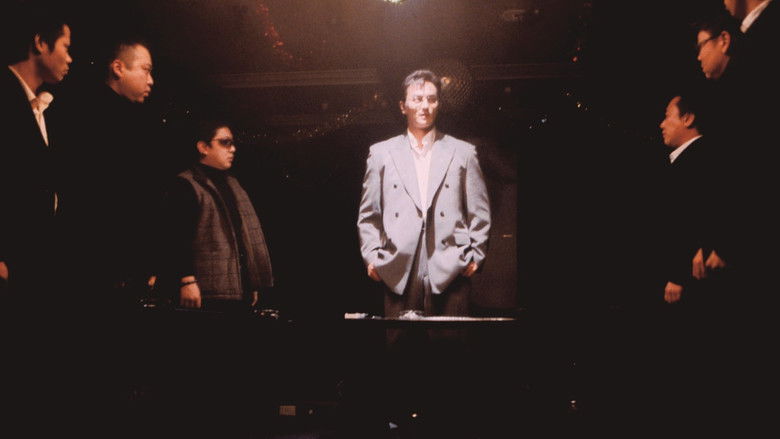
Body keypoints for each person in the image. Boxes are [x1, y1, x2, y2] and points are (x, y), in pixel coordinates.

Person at [58, 37, 159, 306]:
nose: (151, 81)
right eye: (145, 70)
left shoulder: (126, 117)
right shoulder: (89, 116)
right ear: (118, 68)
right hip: (97, 268)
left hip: (112, 267)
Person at [161, 120, 273, 311]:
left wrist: (250, 282)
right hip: (206, 292)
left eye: (232, 143)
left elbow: (242, 236)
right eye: (224, 142)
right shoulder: (186, 184)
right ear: (203, 147)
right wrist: (186, 280)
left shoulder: (233, 184)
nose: (232, 149)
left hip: (234, 289)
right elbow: (176, 237)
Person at [0, 5, 72, 303]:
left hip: (31, 266)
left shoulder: (41, 106)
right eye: (66, 47)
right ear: (41, 43)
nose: (70, 58)